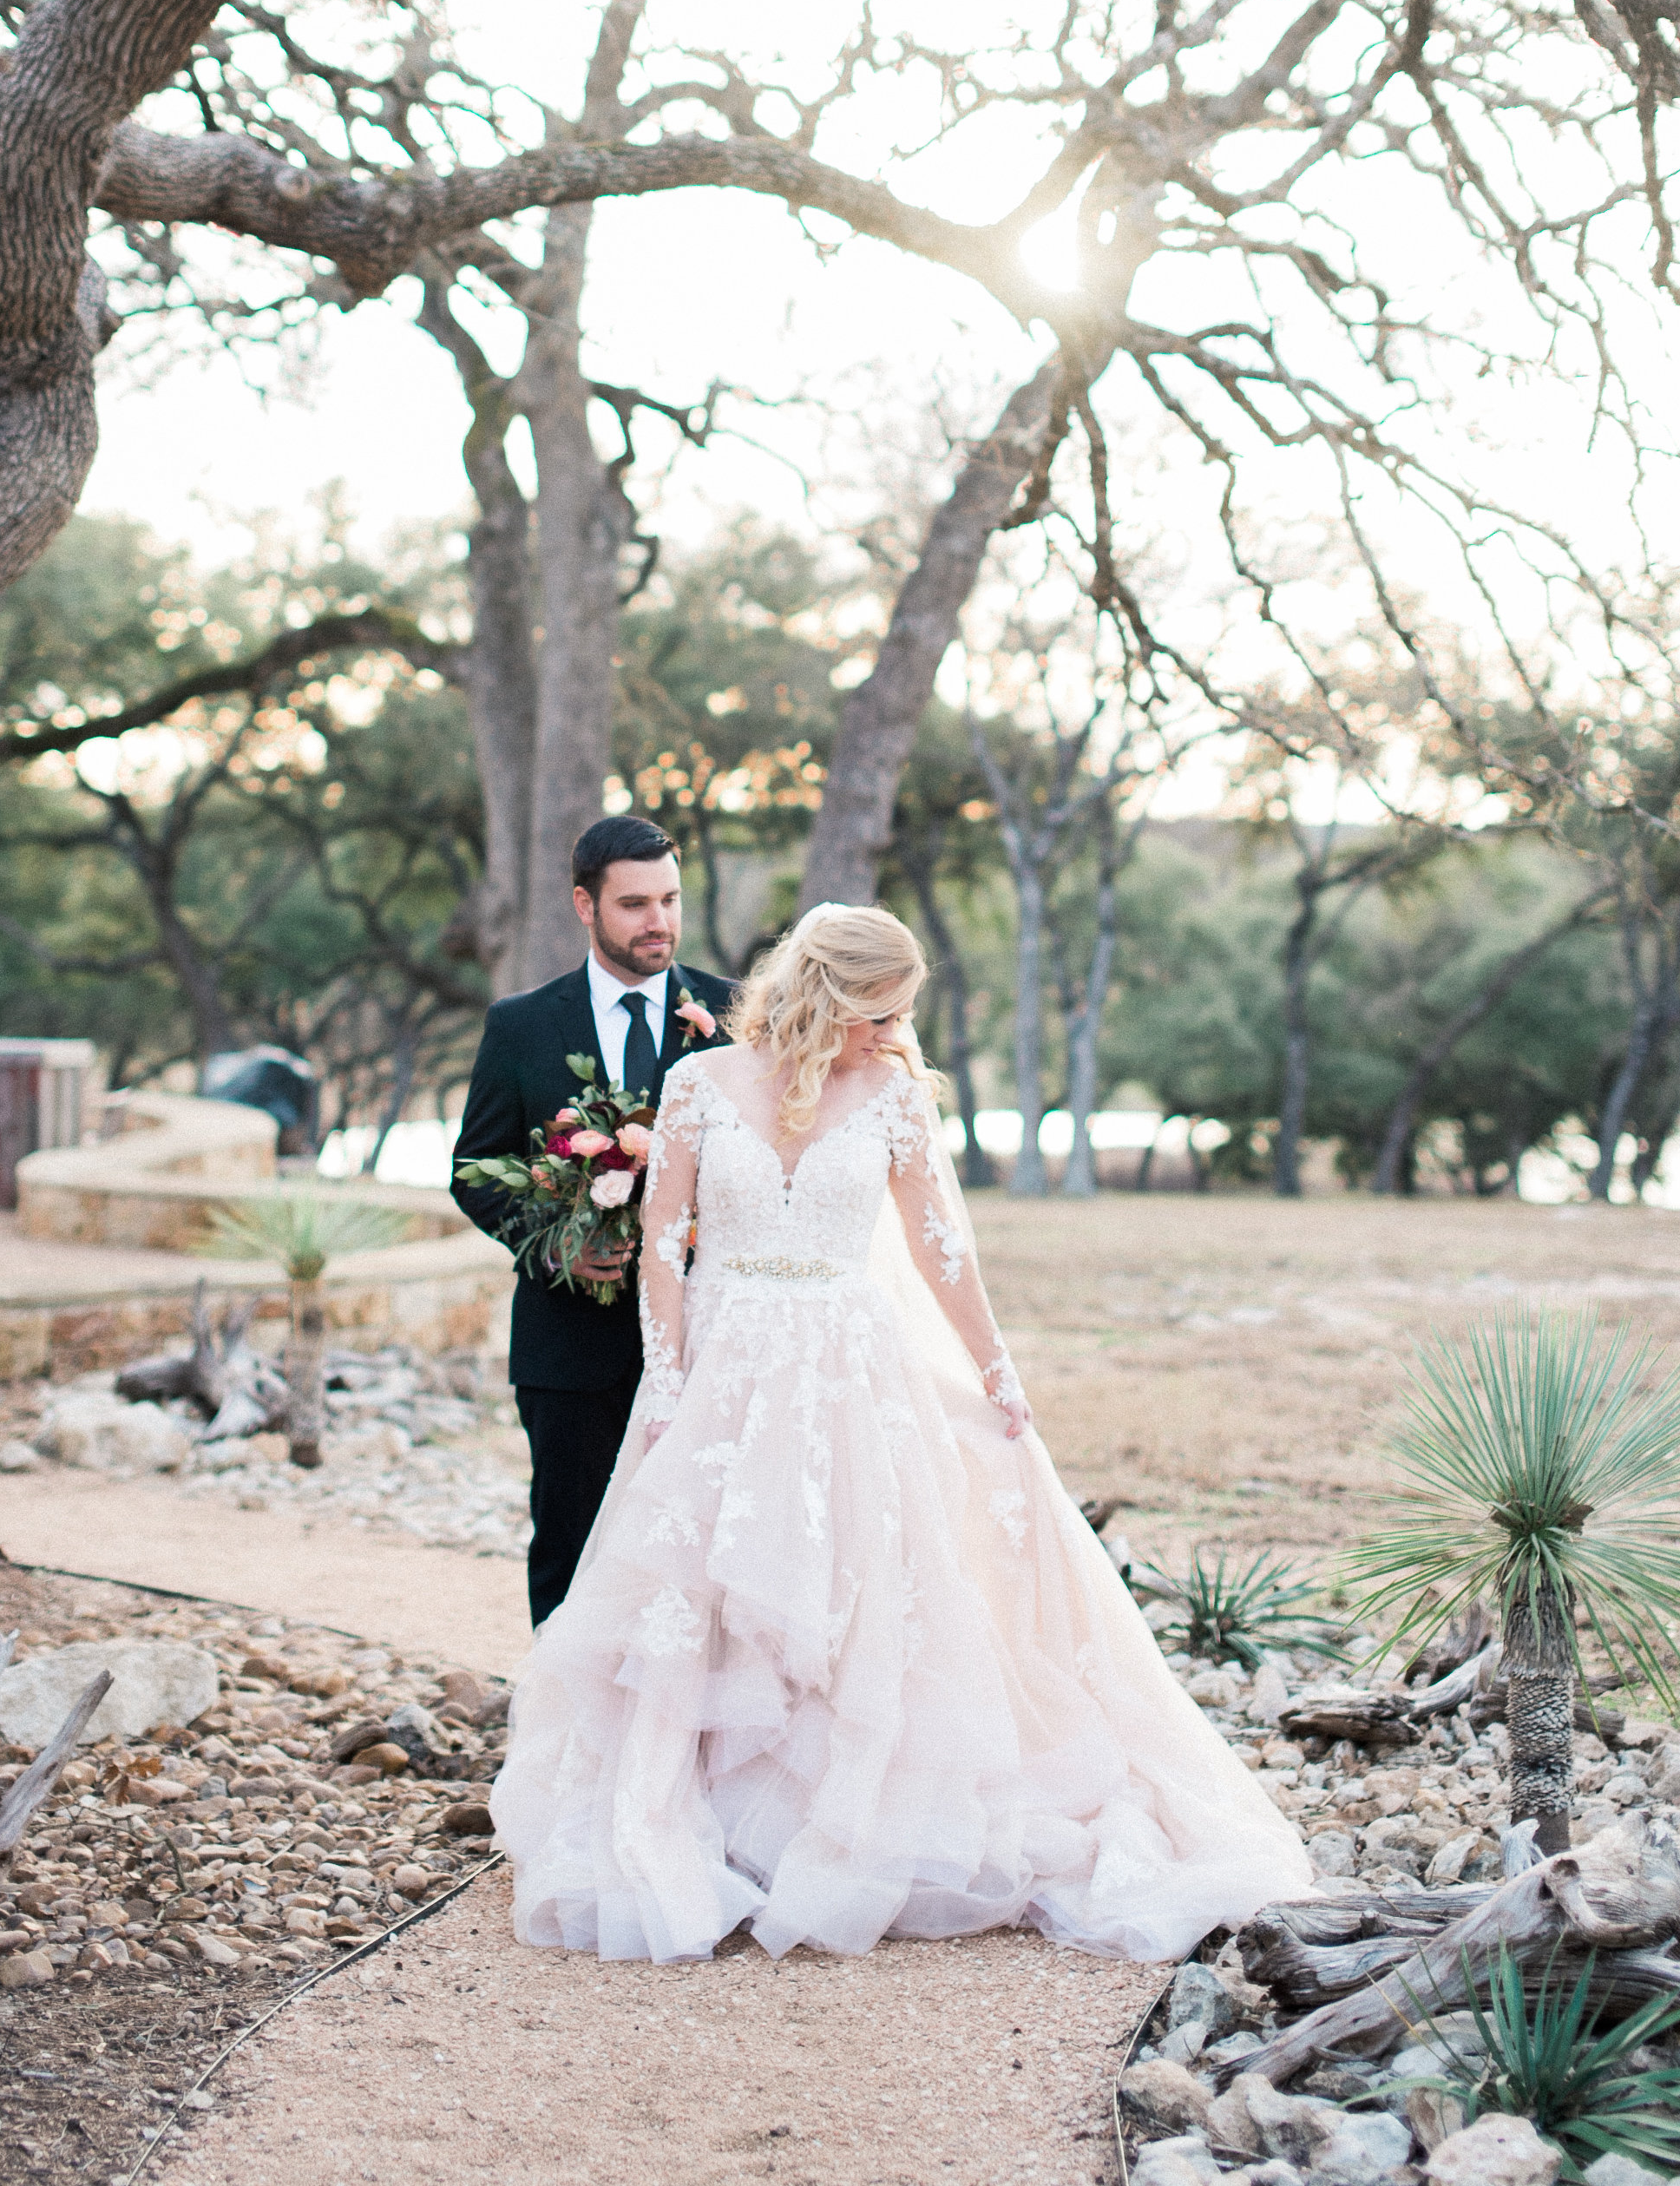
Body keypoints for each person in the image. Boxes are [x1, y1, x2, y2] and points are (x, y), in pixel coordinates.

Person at [491, 903, 1314, 1963]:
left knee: (860, 1580)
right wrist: (663, 1377)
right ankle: (719, 1820)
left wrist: (994, 1365)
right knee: (711, 1587)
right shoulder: (696, 1084)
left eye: (901, 1014)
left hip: (851, 1361)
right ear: (826, 995)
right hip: (727, 1359)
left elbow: (938, 1249)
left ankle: (840, 1821)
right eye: (879, 1012)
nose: (892, 1031)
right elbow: (663, 1243)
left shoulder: (892, 1096)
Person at [453, 815, 735, 1626]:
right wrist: (558, 1248)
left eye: (671, 900)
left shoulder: (736, 1012)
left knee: (701, 1549)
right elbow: (475, 1170)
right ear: (585, 905)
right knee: (571, 1546)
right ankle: (558, 1739)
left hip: (706, 1338)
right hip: (568, 1343)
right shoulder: (522, 1024)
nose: (660, 922)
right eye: (635, 903)